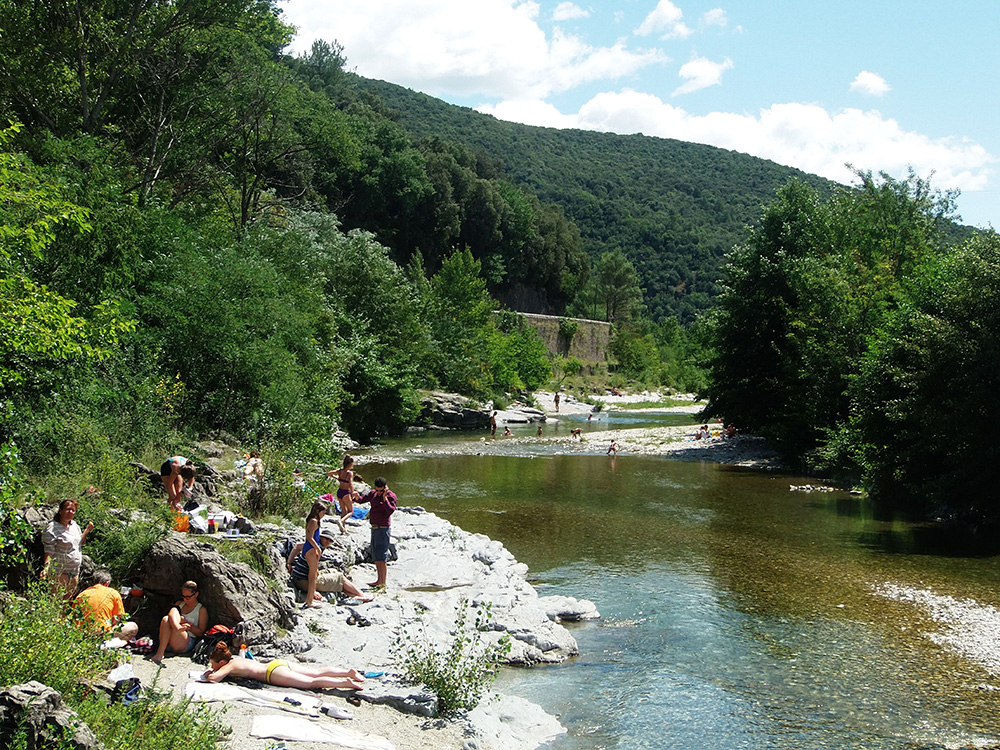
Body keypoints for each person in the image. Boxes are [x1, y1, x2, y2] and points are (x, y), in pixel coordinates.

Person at [204, 642, 365, 690]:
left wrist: (210, 671)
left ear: (222, 662)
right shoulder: (236, 658)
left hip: (272, 673)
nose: (213, 667)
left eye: (214, 664)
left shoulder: (229, 666)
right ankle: (348, 672)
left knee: (311, 683)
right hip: (276, 663)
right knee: (315, 672)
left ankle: (345, 683)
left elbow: (213, 679)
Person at [287, 527, 373, 605]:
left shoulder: (312, 545)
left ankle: (354, 596)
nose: (328, 542)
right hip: (304, 582)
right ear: (321, 537)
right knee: (340, 577)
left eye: (330, 541)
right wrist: (312, 591)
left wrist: (289, 562)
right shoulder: (317, 549)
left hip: (297, 578)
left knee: (334, 571)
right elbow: (312, 574)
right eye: (326, 539)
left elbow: (297, 546)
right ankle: (362, 595)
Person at [41, 498, 94, 599]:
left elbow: (80, 544)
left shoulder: (75, 526)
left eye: (73, 510)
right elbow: (49, 551)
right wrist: (46, 568)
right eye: (68, 509)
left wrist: (86, 531)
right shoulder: (52, 528)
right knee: (57, 601)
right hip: (59, 572)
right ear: (60, 511)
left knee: (68, 602)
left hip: (74, 571)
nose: (70, 512)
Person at [149, 580, 208, 664]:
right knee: (166, 618)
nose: (185, 599)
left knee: (168, 619)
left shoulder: (201, 610)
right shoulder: (180, 604)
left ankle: (177, 629)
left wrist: (188, 625)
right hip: (173, 634)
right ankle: (161, 651)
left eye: (188, 597)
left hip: (187, 639)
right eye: (183, 596)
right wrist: (178, 626)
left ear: (196, 594)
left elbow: (201, 633)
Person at [74, 569, 138, 642]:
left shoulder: (82, 595)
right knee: (133, 626)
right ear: (107, 583)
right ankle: (106, 644)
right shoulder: (113, 593)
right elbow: (117, 619)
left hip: (81, 635)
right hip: (102, 635)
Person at [356, 478, 397, 589]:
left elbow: (390, 511)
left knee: (382, 555)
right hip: (374, 528)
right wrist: (355, 498)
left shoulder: (391, 496)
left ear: (385, 488)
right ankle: (379, 580)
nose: (378, 492)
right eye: (377, 490)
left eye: (381, 490)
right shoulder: (373, 494)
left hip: (383, 529)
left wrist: (384, 499)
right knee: (376, 554)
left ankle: (382, 582)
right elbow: (362, 500)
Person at [299, 500, 330, 607]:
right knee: (312, 577)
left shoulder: (312, 520)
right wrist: (318, 548)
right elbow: (309, 538)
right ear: (317, 511)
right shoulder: (314, 521)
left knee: (314, 575)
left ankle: (310, 598)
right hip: (311, 549)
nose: (323, 515)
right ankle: (309, 601)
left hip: (310, 548)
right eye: (323, 512)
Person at [327, 455, 361, 521]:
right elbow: (350, 484)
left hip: (339, 492)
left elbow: (329, 473)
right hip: (346, 493)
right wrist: (352, 492)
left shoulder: (340, 471)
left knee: (344, 511)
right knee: (350, 511)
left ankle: (343, 529)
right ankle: (341, 521)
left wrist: (338, 478)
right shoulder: (349, 473)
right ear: (350, 464)